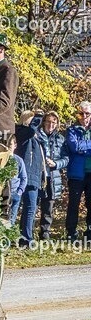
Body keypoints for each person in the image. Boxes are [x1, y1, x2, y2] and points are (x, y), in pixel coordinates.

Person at [35, 111, 68, 240]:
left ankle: (45, 234)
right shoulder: (36, 136)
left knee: (48, 207)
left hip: (53, 177)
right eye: (48, 121)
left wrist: (56, 163)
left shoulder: (60, 139)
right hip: (38, 175)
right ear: (43, 122)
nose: (51, 124)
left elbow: (66, 158)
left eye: (54, 122)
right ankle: (28, 234)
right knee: (34, 204)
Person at [15, 114, 47, 246]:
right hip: (24, 177)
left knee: (30, 208)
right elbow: (31, 130)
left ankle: (25, 237)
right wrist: (38, 115)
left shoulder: (37, 137)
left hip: (34, 177)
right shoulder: (21, 132)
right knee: (18, 208)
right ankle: (24, 237)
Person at [64, 101, 91, 241]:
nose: (84, 116)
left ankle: (90, 232)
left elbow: (79, 147)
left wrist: (83, 147)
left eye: (87, 113)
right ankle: (71, 233)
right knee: (73, 204)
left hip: (90, 173)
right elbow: (74, 147)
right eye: (81, 113)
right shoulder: (71, 130)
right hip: (76, 173)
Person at [6, 135, 27, 226]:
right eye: (7, 145)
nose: (9, 148)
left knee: (11, 220)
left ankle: (8, 240)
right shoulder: (2, 160)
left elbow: (24, 178)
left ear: (15, 146)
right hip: (2, 194)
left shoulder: (18, 160)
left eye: (10, 145)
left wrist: (19, 192)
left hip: (14, 193)